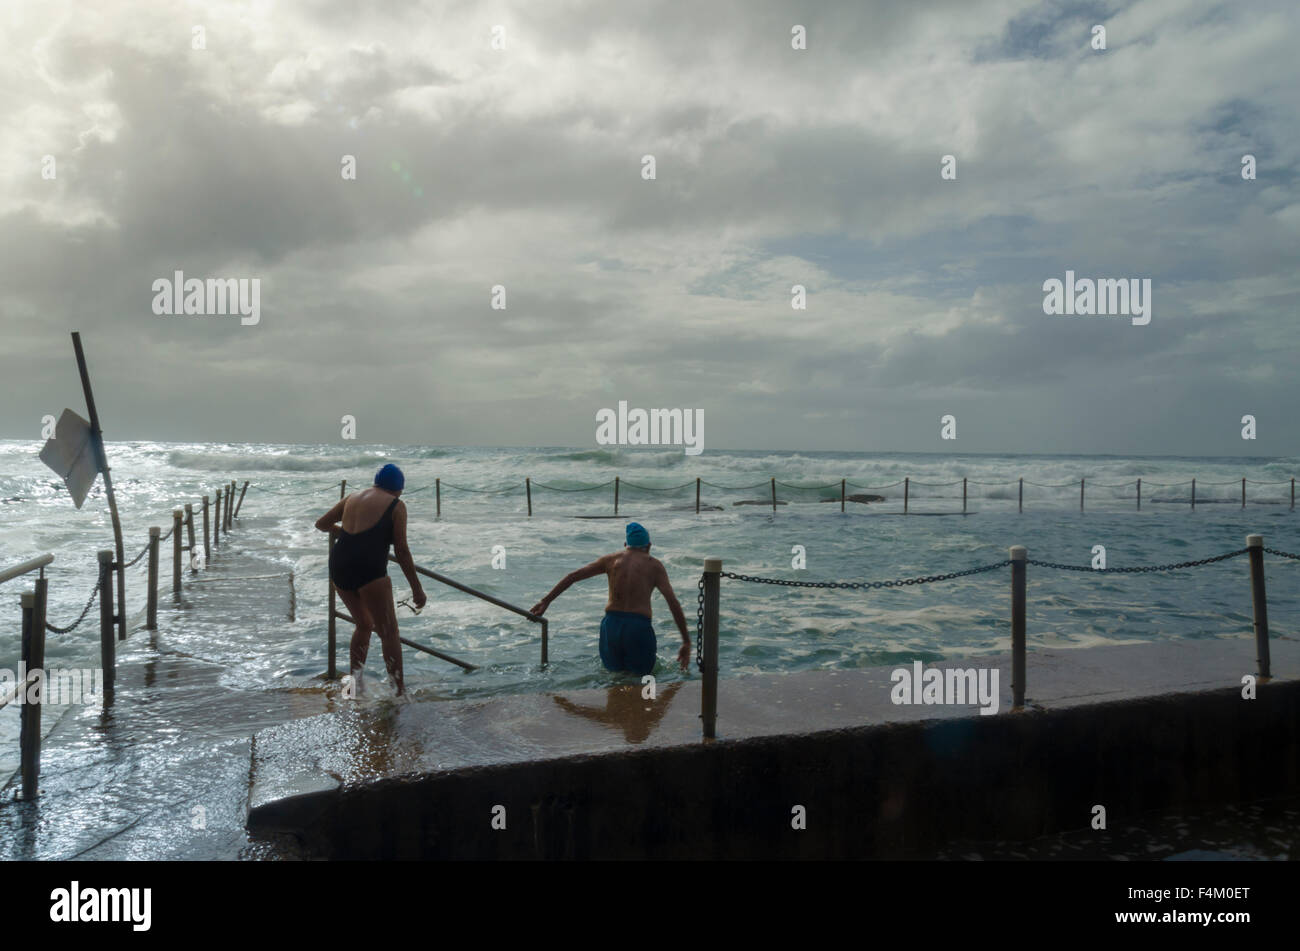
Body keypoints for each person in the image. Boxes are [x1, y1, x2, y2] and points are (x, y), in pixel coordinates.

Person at [315, 463, 425, 696]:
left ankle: (354, 685)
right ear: (398, 489)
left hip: (339, 564)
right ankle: (398, 691)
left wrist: (347, 535)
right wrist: (417, 589)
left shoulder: (352, 497)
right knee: (389, 632)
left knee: (364, 624)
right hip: (369, 569)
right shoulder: (396, 506)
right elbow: (402, 551)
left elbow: (322, 525)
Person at [530, 522, 690, 676]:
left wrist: (546, 601)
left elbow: (573, 576)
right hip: (638, 627)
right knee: (642, 679)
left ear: (625, 544)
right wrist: (686, 641)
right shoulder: (654, 566)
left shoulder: (611, 560)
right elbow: (672, 602)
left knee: (614, 677)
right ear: (649, 546)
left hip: (611, 626)